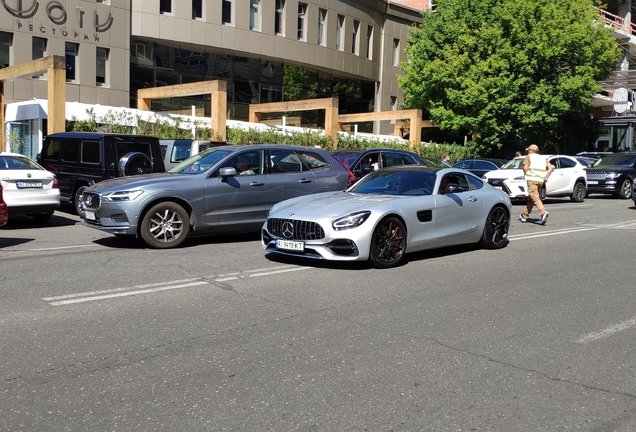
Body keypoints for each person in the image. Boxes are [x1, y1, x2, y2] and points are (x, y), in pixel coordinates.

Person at [519, 144, 553, 225]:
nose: (527, 151)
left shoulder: (529, 157)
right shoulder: (542, 158)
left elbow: (525, 167)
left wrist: (525, 174)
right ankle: (524, 215)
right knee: (531, 198)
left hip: (532, 180)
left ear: (531, 151)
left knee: (535, 197)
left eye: (528, 150)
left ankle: (543, 212)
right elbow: (550, 167)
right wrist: (546, 177)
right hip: (540, 181)